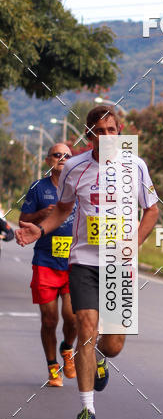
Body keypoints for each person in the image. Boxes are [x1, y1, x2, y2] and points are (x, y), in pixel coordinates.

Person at [16, 105, 159, 419]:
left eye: (112, 130)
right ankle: (87, 410)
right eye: (100, 131)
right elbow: (64, 208)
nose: (107, 136)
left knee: (112, 345)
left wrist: (134, 243)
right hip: (82, 260)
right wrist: (42, 229)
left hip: (119, 264)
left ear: (119, 131)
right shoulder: (74, 168)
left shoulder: (135, 166)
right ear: (89, 134)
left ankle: (100, 360)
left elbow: (151, 210)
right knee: (86, 327)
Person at [19, 144, 77, 387]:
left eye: (68, 156)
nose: (63, 159)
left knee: (72, 317)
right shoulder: (38, 188)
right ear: (48, 160)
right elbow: (23, 220)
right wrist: (42, 214)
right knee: (49, 319)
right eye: (58, 155)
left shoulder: (79, 186)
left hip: (75, 261)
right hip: (45, 261)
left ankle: (67, 348)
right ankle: (53, 366)